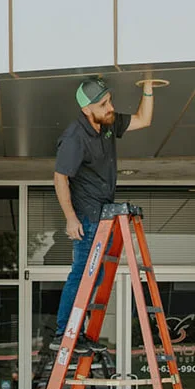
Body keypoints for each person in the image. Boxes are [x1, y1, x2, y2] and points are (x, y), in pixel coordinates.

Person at [51, 75, 155, 348]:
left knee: (93, 276)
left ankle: (77, 332)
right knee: (82, 274)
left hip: (104, 213)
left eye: (109, 101)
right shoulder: (74, 138)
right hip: (86, 216)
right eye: (103, 104)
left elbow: (144, 120)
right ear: (87, 110)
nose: (110, 107)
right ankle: (64, 333)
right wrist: (70, 218)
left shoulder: (107, 123)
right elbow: (60, 177)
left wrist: (147, 89)